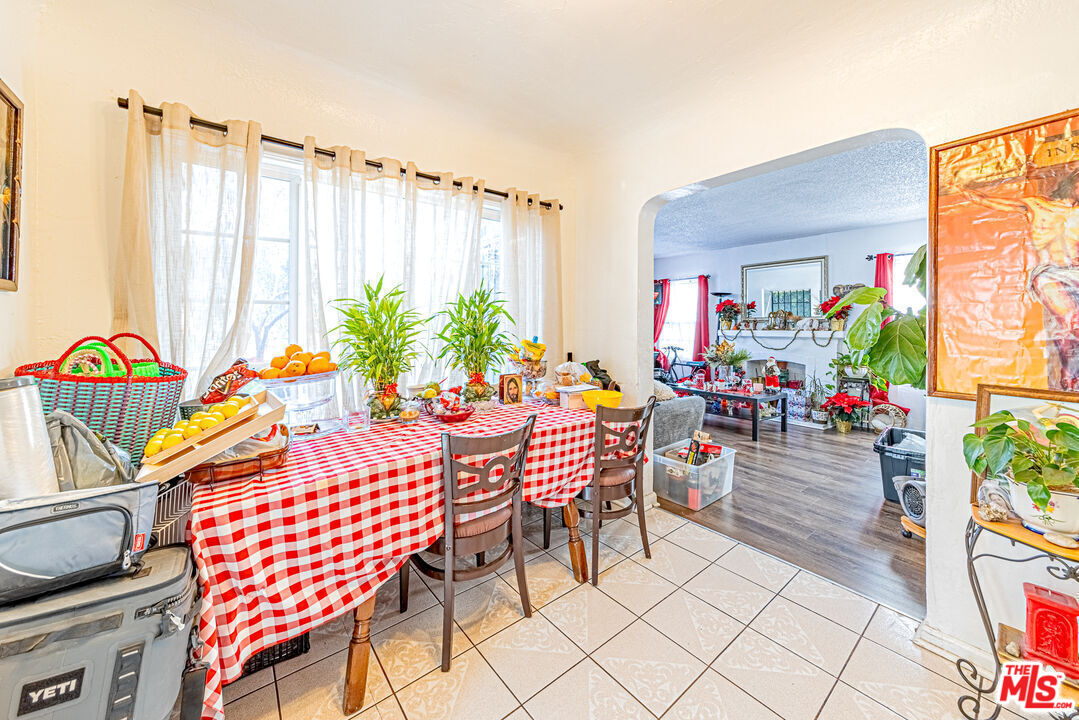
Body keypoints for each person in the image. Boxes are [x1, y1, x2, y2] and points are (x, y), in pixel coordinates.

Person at [964, 170, 1079, 390]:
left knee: (1068, 334)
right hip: (1050, 273)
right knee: (1073, 323)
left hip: (1077, 273)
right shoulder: (1038, 205)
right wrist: (966, 190)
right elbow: (992, 202)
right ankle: (1070, 376)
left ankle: (1070, 377)